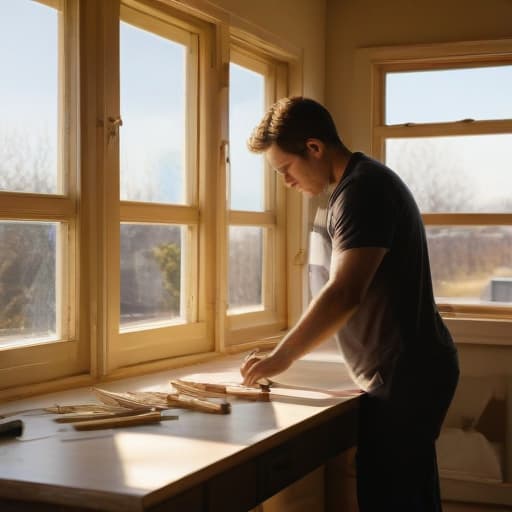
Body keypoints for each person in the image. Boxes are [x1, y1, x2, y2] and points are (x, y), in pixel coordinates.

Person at [240, 97, 459, 511]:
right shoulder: (349, 189)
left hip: (406, 375)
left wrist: (279, 358)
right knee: (405, 495)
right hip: (399, 372)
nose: (286, 182)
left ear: (314, 148)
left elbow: (344, 292)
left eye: (286, 168)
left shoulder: (363, 191)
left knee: (395, 499)